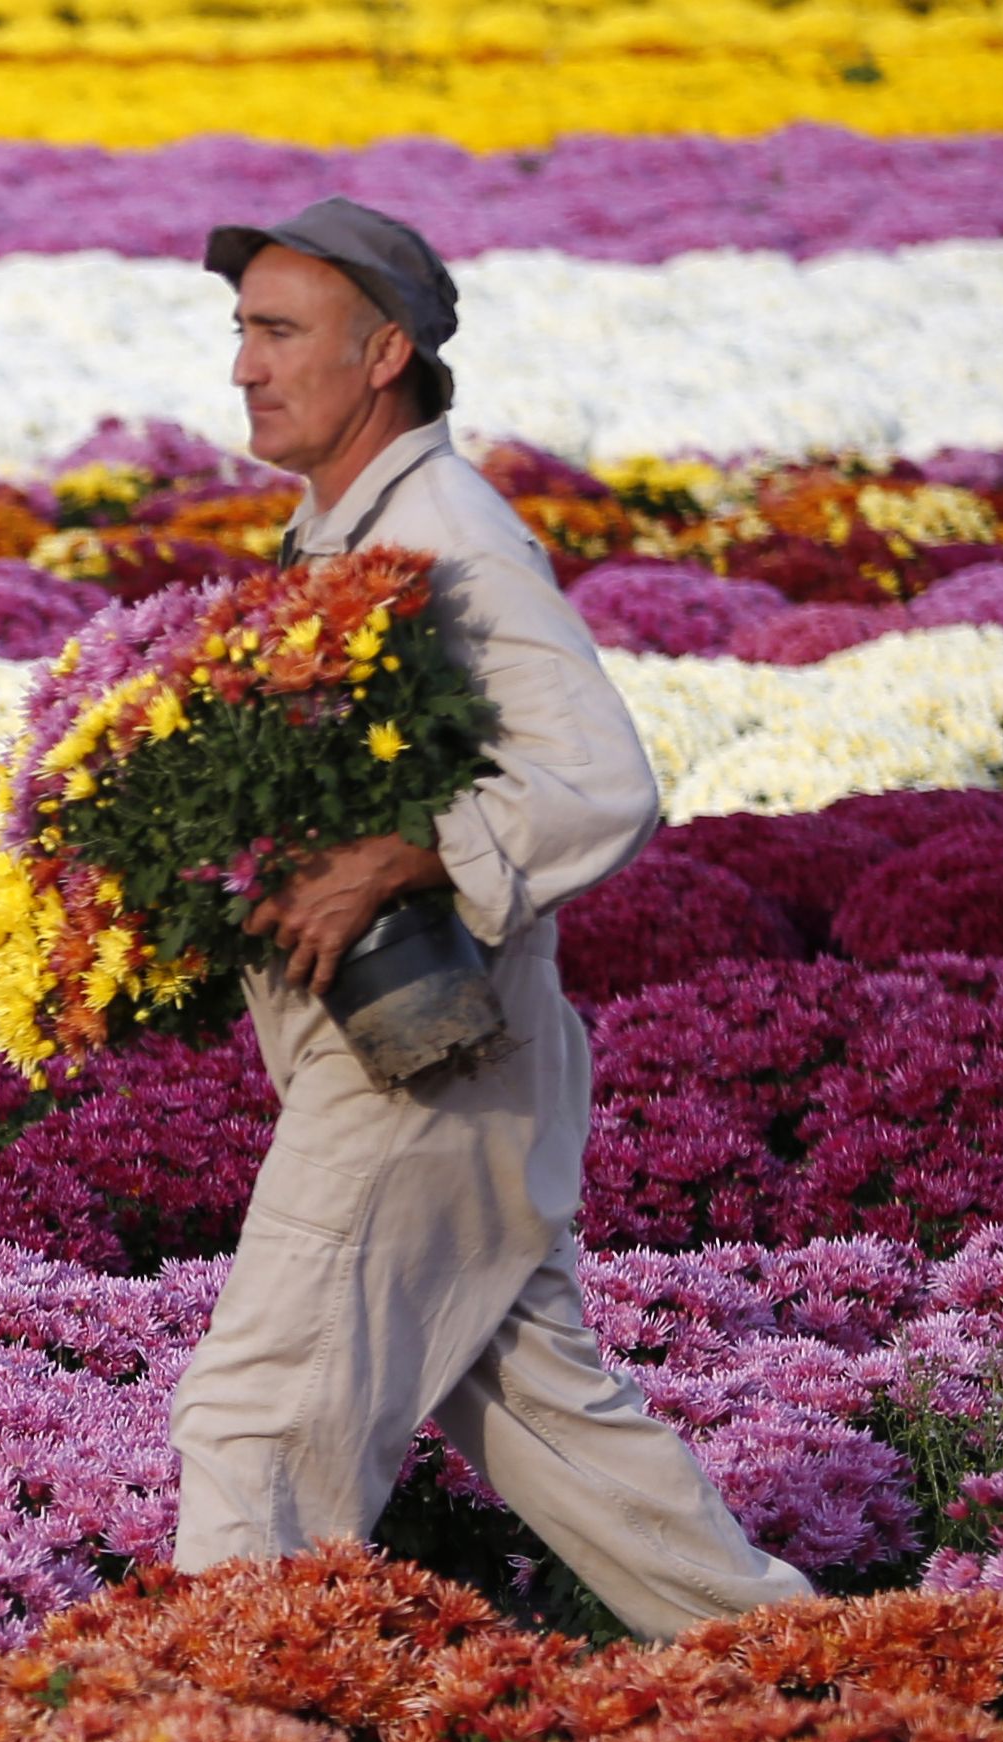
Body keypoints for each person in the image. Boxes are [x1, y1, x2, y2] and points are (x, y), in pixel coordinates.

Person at [163, 197, 814, 1639]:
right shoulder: (342, 527)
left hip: (424, 1063)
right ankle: (804, 1671)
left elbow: (598, 780)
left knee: (256, 1412)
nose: (244, 368)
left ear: (383, 350)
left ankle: (219, 1735)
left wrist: (407, 854)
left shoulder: (446, 530)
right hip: (423, 1052)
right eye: (240, 332)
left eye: (278, 333)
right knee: (553, 1423)